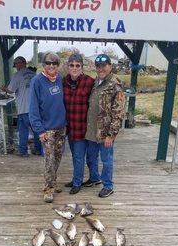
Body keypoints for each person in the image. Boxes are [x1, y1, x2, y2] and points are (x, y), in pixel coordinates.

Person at [84, 54, 125, 198]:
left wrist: (111, 135)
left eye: (104, 66)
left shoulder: (115, 84)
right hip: (91, 131)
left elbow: (118, 113)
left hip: (105, 133)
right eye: (98, 66)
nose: (101, 69)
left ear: (110, 66)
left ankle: (108, 185)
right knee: (91, 157)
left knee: (106, 160)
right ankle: (94, 178)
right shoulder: (96, 82)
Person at [29, 52, 66, 203]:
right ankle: (47, 188)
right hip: (47, 129)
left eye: (55, 63)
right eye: (48, 63)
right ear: (43, 65)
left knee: (57, 158)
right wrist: (40, 130)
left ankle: (53, 181)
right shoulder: (37, 81)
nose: (51, 66)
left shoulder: (59, 79)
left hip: (61, 127)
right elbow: (33, 109)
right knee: (49, 160)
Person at [63, 53, 94, 195]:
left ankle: (77, 183)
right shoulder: (63, 82)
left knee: (78, 156)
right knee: (75, 155)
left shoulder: (89, 81)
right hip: (69, 127)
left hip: (82, 128)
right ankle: (76, 178)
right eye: (72, 65)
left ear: (82, 67)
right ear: (68, 66)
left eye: (77, 65)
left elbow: (102, 90)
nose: (74, 68)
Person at [1, 56, 41, 157]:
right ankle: (38, 150)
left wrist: (3, 88)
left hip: (23, 108)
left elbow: (11, 90)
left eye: (16, 65)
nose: (16, 68)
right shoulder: (35, 75)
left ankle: (23, 152)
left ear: (20, 64)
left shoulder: (17, 75)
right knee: (37, 130)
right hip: (36, 109)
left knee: (23, 131)